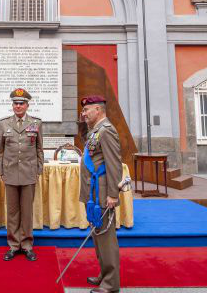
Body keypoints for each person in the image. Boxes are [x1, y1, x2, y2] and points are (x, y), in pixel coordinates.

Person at [79, 95, 122, 293]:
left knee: (106, 238)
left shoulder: (106, 131)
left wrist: (113, 194)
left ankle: (111, 284)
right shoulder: (95, 130)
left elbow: (114, 164)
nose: (84, 113)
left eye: (87, 110)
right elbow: (89, 146)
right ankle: (104, 274)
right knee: (98, 237)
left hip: (103, 192)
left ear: (98, 110)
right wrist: (83, 122)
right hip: (93, 193)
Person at [0, 88, 43, 262]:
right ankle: (13, 245)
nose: (18, 106)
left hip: (28, 173)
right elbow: (0, 151)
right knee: (13, 212)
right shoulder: (4, 124)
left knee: (27, 212)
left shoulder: (36, 123)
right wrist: (0, 170)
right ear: (12, 105)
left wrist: (38, 169)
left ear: (27, 105)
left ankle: (27, 245)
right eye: (15, 103)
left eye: (21, 103)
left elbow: (39, 149)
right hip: (10, 172)